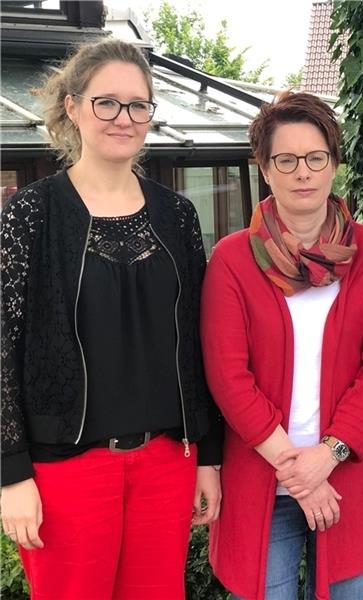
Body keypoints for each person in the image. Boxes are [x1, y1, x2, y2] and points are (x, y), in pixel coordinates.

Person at [0, 39, 222, 600]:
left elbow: (198, 344)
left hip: (165, 464)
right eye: (107, 102)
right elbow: (2, 346)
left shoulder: (177, 215)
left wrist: (207, 457)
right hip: (65, 471)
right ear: (72, 108)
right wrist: (10, 474)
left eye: (138, 105)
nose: (124, 118)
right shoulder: (32, 213)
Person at [200, 91, 363, 600]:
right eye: (286, 160)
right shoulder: (232, 260)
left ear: (334, 164)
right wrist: (298, 468)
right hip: (261, 477)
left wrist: (328, 456)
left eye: (316, 158)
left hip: (346, 473)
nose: (302, 173)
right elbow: (228, 376)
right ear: (265, 169)